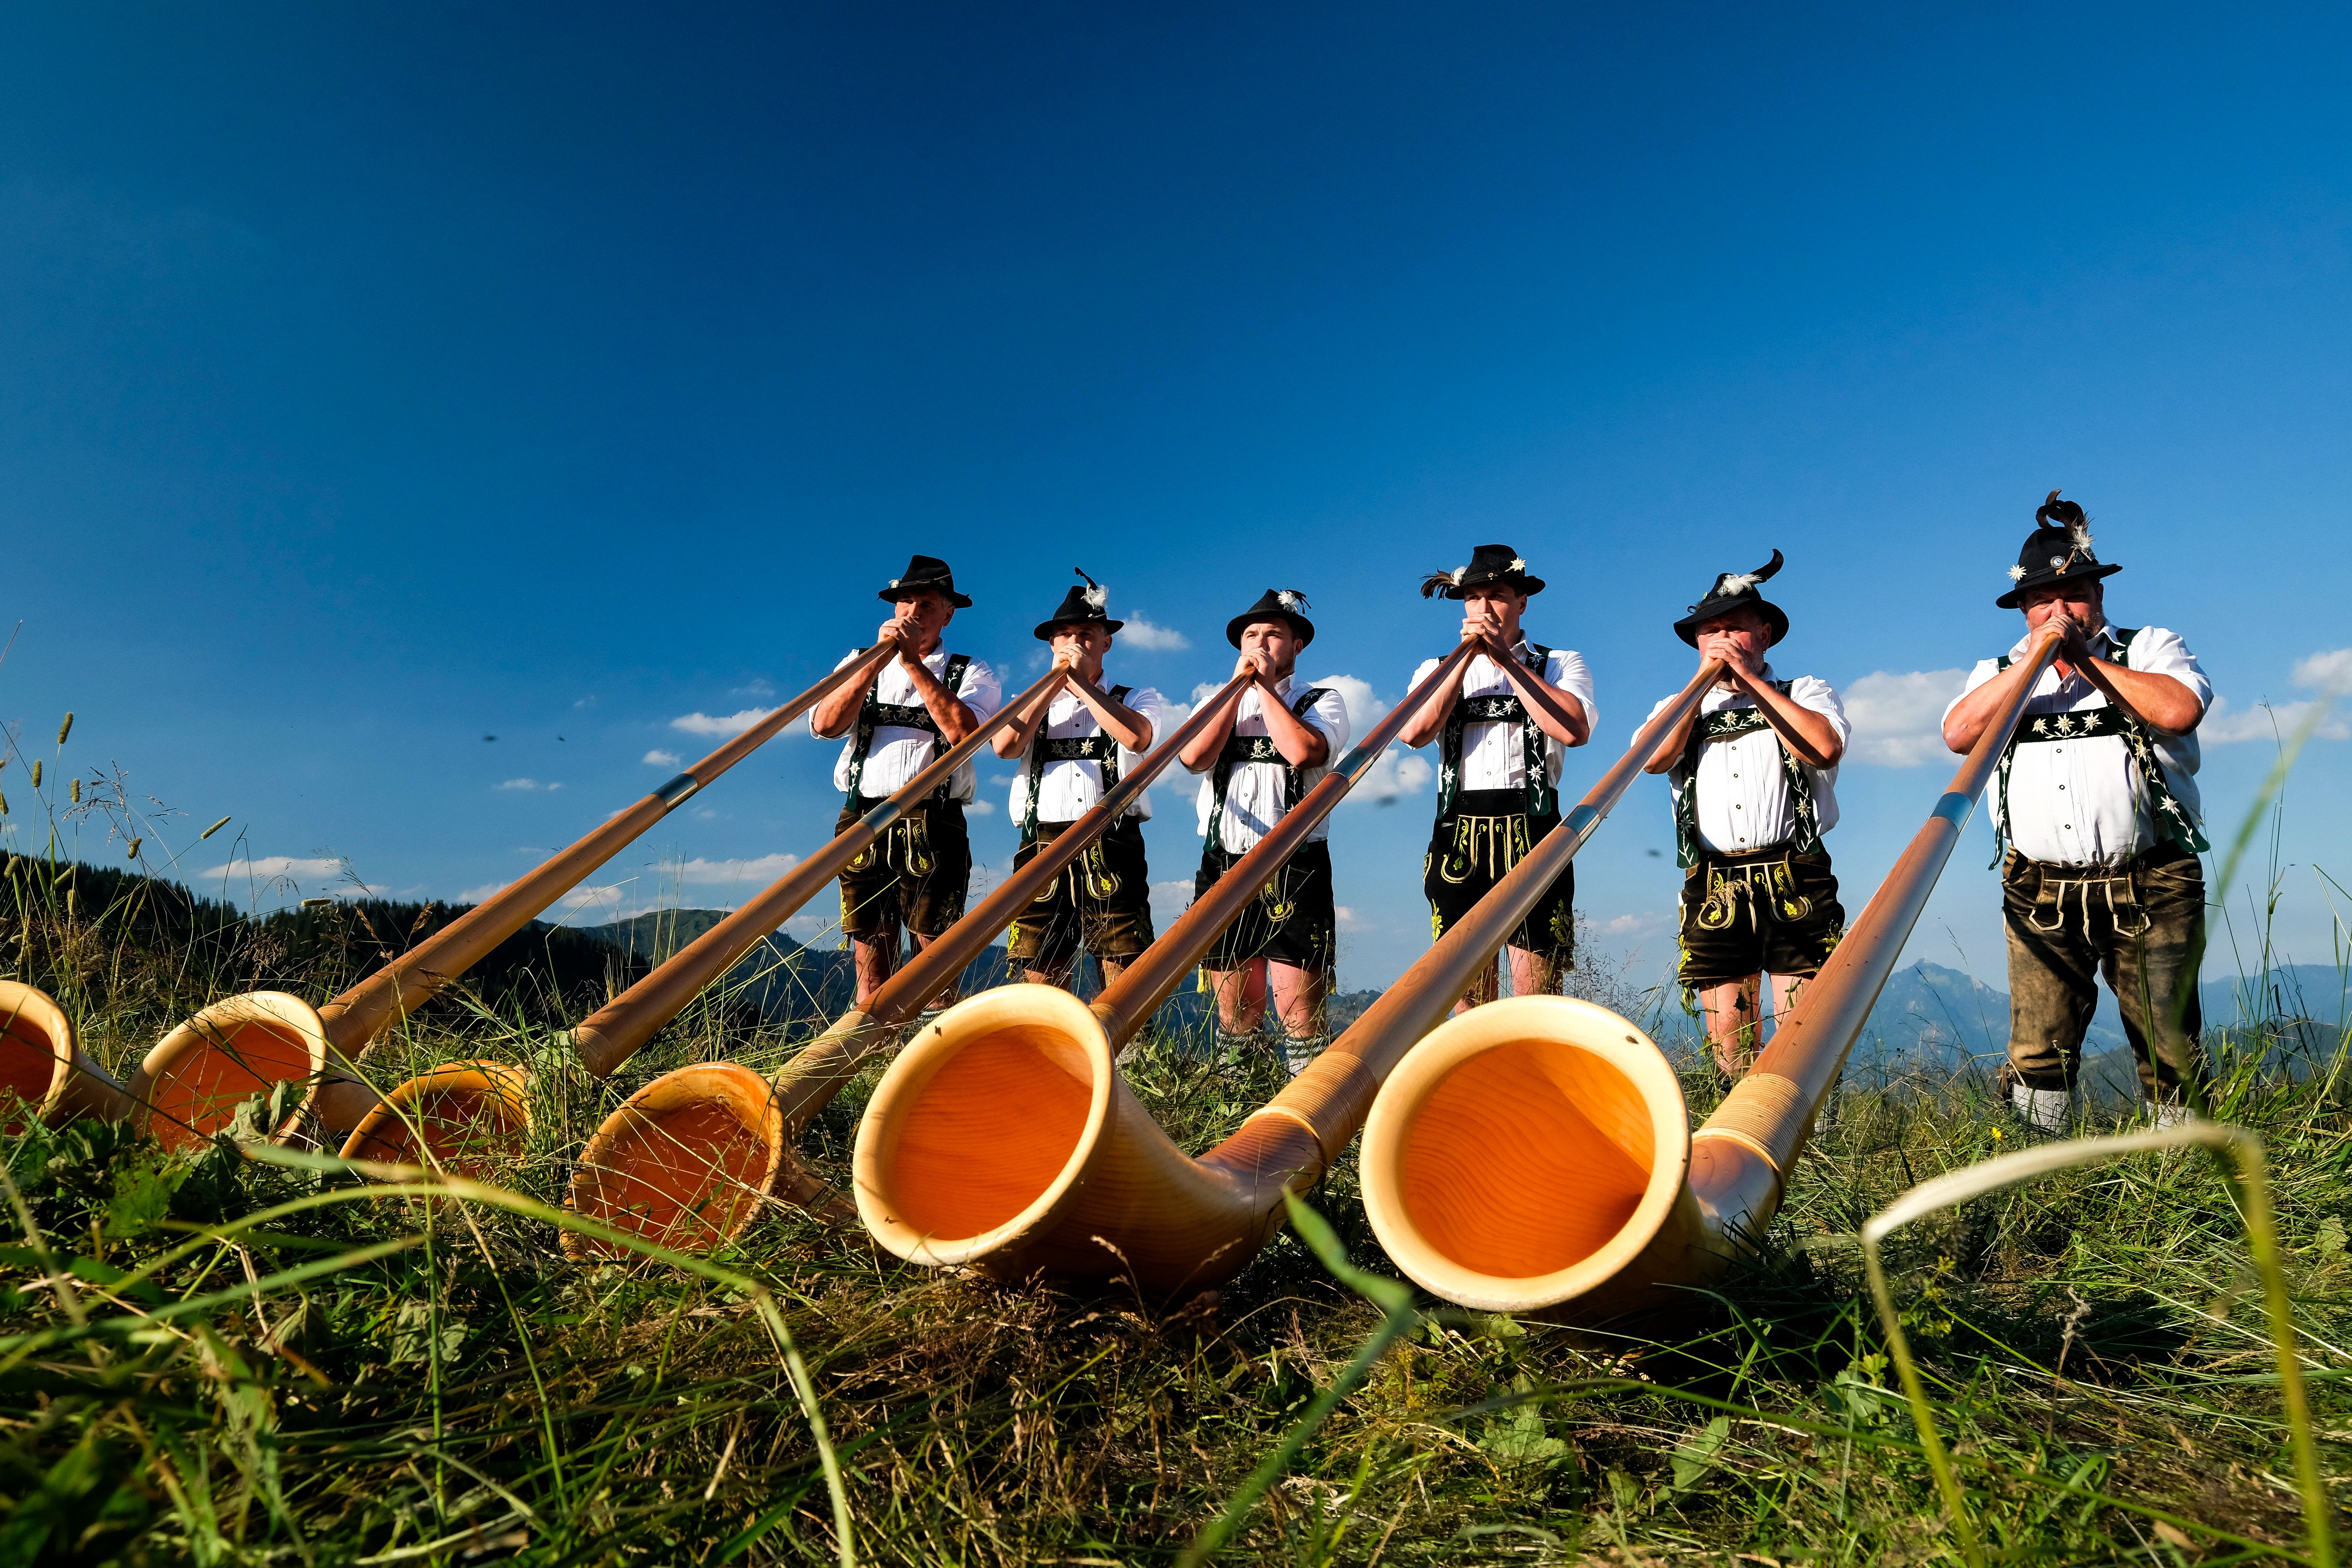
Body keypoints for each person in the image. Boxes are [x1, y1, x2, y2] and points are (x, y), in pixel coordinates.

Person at [1941, 492, 2211, 1132]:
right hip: (2040, 887)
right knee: (2039, 1050)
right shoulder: (2000, 670)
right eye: (2043, 600)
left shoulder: (2149, 648)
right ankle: (2044, 1180)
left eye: (2075, 595)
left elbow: (2177, 712)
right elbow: (1958, 733)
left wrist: (2082, 657)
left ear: (2098, 596)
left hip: (2152, 880)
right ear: (2025, 609)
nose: (2059, 611)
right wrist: (2035, 663)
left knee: (2170, 1048)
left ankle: (2181, 1181)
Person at [1639, 551, 1850, 1080]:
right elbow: (1652, 758)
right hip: (1713, 877)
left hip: (1795, 871)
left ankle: (1809, 1139)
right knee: (1729, 1039)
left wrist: (1750, 683)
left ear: (1766, 636)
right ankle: (1738, 1139)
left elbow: (1822, 748)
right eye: (1709, 632)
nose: (1722, 641)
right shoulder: (1678, 705)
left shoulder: (1804, 692)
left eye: (1735, 628)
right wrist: (1701, 686)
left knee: (1806, 1028)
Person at [1398, 545, 1596, 1013]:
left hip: (1535, 827)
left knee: (1538, 993)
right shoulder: (1436, 668)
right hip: (1458, 832)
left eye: (1498, 596)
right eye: (1475, 598)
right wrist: (1466, 659)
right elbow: (1414, 732)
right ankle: (1475, 1084)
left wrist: (1507, 660)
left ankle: (1535, 1084)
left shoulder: (1560, 663)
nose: (1485, 608)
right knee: (1464, 988)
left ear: (1522, 602)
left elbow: (1573, 729)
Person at [809, 554, 1002, 1011]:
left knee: (935, 956)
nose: (912, 612)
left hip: (935, 818)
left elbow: (966, 735)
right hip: (863, 814)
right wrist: (874, 666)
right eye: (905, 602)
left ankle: (933, 1065)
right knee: (870, 950)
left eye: (927, 605)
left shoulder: (972, 671)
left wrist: (913, 663)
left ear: (948, 615)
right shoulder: (858, 661)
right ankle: (874, 1057)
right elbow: (825, 724)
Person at [1178, 588, 1352, 1074]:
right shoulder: (1218, 700)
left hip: (1296, 865)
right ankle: (1237, 1116)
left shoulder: (1323, 700)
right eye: (1250, 636)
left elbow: (1303, 752)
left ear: (1298, 645)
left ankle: (1310, 1119)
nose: (1259, 644)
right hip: (1224, 860)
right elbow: (1193, 758)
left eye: (1273, 635)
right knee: (1236, 1017)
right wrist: (1238, 693)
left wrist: (1266, 690)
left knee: (1300, 1017)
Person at [993, 570, 1164, 992]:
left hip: (1112, 838)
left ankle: (1124, 1055)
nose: (1074, 644)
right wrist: (1053, 687)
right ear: (1051, 646)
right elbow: (1006, 746)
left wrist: (1081, 684)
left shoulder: (1136, 697)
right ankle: (1047, 1055)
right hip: (1040, 843)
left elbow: (1136, 736)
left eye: (1086, 634)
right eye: (1065, 636)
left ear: (1107, 642)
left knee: (1121, 960)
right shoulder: (1028, 700)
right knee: (1038, 962)